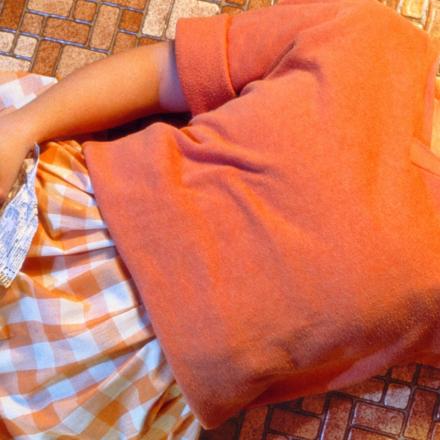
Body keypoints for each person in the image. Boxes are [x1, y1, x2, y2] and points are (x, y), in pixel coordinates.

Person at [1, 0, 440, 436]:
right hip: (62, 222)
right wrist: (23, 127)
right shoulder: (368, 33)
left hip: (120, 386)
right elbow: (164, 73)